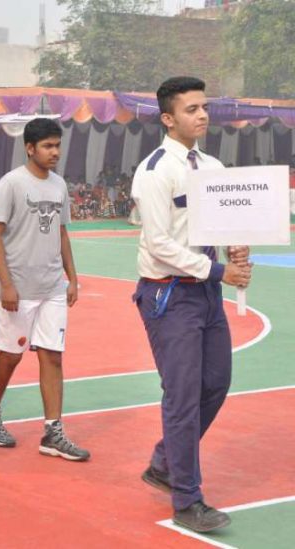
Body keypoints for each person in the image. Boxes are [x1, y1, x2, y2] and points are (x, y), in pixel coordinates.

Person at [131, 76, 251, 533]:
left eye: (204, 107)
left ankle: (165, 462)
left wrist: (236, 246)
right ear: (168, 118)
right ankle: (187, 498)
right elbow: (159, 245)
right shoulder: (155, 171)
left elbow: (223, 223)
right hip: (169, 294)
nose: (202, 115)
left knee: (215, 383)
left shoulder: (213, 166)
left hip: (206, 294)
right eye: (191, 109)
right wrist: (220, 271)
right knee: (181, 396)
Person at [0, 118, 90, 462]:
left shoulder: (59, 185)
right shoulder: (12, 183)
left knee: (53, 356)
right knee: (10, 356)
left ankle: (53, 432)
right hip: (18, 288)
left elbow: (62, 233)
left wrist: (72, 278)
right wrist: (7, 284)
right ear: (30, 148)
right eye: (47, 146)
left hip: (52, 286)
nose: (55, 152)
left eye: (57, 145)